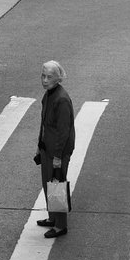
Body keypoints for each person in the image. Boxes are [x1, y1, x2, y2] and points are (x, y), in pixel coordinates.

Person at [34, 60, 74, 238]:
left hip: (58, 150)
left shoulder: (62, 99)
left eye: (49, 77)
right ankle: (52, 218)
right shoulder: (49, 94)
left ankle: (60, 225)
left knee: (56, 185)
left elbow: (63, 132)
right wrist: (39, 145)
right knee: (47, 184)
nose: (44, 80)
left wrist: (57, 156)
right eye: (43, 76)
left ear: (58, 79)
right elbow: (45, 124)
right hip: (47, 148)